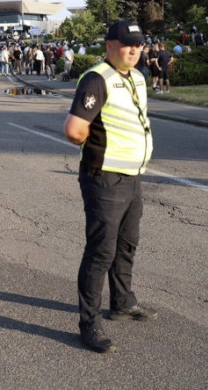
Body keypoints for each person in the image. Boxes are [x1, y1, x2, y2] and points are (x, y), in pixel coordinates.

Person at [63, 20, 157, 354]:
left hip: (132, 176)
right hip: (105, 178)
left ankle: (122, 303)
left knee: (127, 244)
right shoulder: (97, 79)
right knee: (101, 251)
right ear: (110, 45)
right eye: (127, 44)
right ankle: (89, 324)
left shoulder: (137, 77)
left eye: (139, 44)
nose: (134, 50)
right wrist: (96, 149)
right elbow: (74, 129)